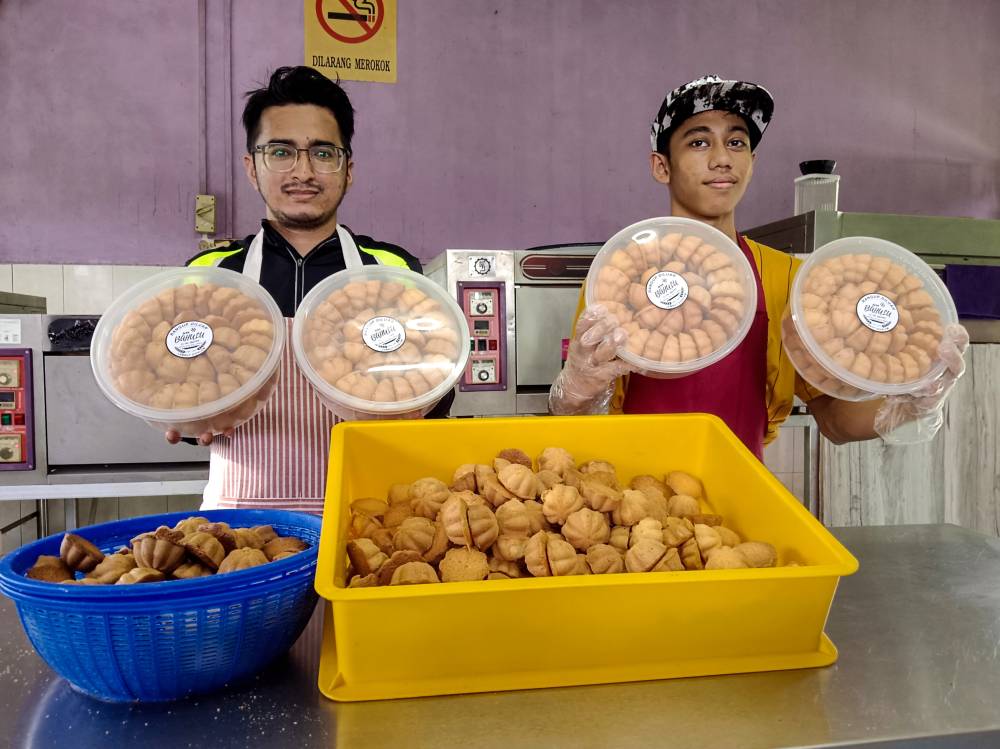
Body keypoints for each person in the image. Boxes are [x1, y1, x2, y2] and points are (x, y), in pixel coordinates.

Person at [549, 75, 968, 458]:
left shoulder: (786, 276)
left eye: (736, 143)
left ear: (752, 162)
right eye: (698, 142)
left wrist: (911, 400)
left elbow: (834, 419)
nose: (722, 159)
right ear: (662, 166)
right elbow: (580, 418)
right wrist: (576, 390)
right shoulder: (619, 273)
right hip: (635, 505)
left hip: (743, 499)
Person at [169, 66, 450, 512]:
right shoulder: (211, 273)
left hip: (369, 508)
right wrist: (183, 421)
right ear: (252, 166)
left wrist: (415, 402)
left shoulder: (391, 269)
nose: (303, 171)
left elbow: (434, 383)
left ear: (347, 168)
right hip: (243, 518)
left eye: (322, 153)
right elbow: (178, 382)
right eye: (281, 152)